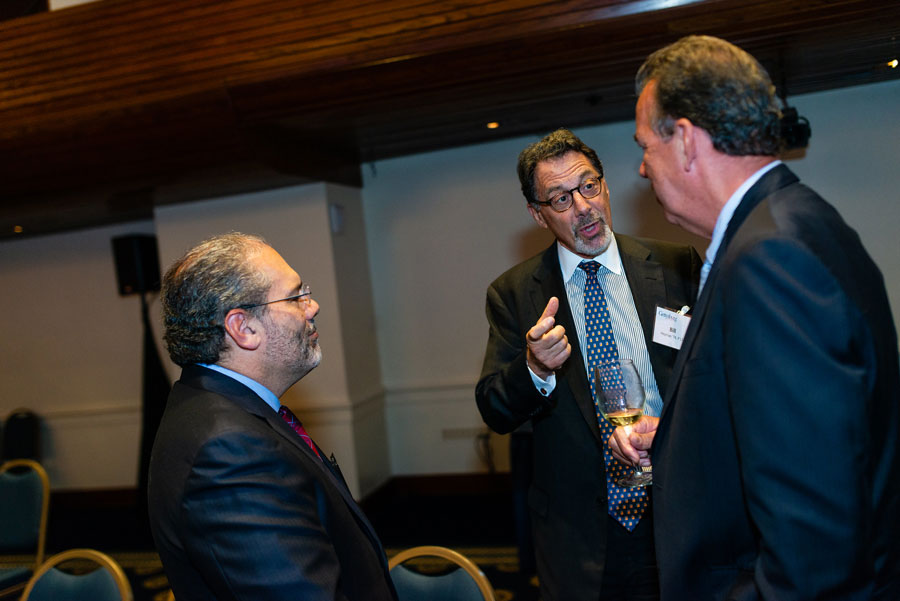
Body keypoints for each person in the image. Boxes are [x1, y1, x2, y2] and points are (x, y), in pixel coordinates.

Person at [615, 34, 900, 599]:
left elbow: (812, 541)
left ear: (688, 141)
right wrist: (676, 434)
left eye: (646, 144)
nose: (643, 168)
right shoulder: (798, 218)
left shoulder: (769, 257)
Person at [476, 128, 701, 600]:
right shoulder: (515, 293)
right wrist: (535, 368)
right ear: (538, 215)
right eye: (559, 199)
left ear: (605, 185)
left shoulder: (676, 265)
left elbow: (715, 375)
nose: (582, 207)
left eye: (588, 186)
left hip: (681, 508)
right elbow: (495, 408)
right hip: (581, 537)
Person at [148, 232, 397, 601]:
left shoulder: (215, 406)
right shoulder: (230, 449)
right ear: (243, 328)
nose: (312, 307)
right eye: (296, 296)